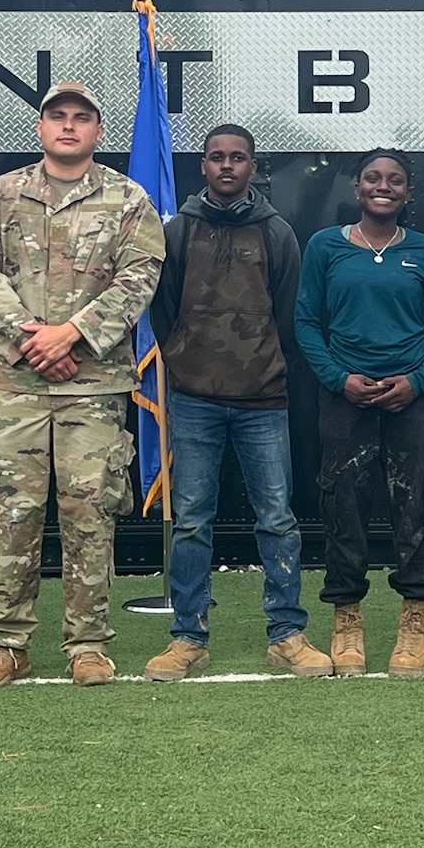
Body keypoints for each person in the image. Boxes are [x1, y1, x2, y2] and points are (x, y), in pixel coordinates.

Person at [0, 82, 165, 688]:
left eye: (81, 118)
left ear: (99, 131)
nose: (69, 127)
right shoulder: (0, 195)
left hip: (92, 383)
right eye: (58, 117)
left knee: (89, 513)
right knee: (9, 511)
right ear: (41, 128)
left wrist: (71, 334)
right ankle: (4, 643)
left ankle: (88, 644)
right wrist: (33, 340)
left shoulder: (129, 200)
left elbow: (140, 277)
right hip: (15, 382)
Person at [143, 125, 329, 680]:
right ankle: (188, 638)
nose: (227, 166)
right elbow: (163, 310)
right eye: (217, 157)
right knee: (193, 522)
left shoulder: (276, 233)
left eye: (239, 158)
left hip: (264, 400)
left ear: (253, 166)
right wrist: (184, 357)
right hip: (194, 399)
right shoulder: (178, 231)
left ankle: (287, 634)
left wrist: (268, 369)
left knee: (277, 519)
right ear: (202, 165)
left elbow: (291, 315)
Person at [294, 150, 424, 677]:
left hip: (411, 398)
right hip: (346, 398)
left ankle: (414, 622)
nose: (383, 186)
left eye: (395, 180)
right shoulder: (326, 247)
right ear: (358, 188)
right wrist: (338, 379)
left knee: (416, 506)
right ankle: (348, 621)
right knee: (343, 506)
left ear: (408, 193)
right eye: (373, 178)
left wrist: (416, 382)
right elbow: (305, 322)